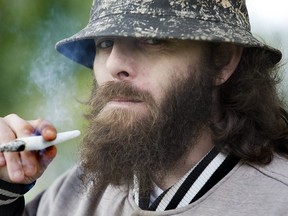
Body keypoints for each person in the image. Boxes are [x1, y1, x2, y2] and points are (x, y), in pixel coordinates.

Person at [1, 0, 288, 215]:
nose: (113, 64)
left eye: (152, 39)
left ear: (222, 60)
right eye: (105, 42)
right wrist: (6, 191)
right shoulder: (70, 197)